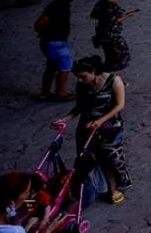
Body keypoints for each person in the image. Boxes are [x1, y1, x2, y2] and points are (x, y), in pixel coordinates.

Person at [51, 55, 131, 205]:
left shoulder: (114, 81)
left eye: (83, 76)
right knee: (85, 159)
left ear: (93, 71)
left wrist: (100, 121)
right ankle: (89, 189)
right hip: (87, 126)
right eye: (78, 77)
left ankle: (113, 190)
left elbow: (119, 105)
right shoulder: (82, 85)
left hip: (109, 127)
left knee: (108, 158)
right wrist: (64, 119)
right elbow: (79, 107)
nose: (80, 80)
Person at [35, 0, 76, 101]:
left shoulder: (63, 5)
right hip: (56, 43)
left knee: (52, 67)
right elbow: (40, 23)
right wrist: (43, 32)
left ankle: (45, 92)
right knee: (65, 67)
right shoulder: (56, 7)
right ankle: (61, 92)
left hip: (53, 42)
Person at [90, 0, 137, 72]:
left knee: (109, 58)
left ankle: (110, 79)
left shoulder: (101, 3)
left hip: (102, 35)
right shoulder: (112, 6)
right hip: (112, 36)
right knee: (118, 59)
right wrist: (127, 16)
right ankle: (109, 80)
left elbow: (94, 15)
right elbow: (115, 20)